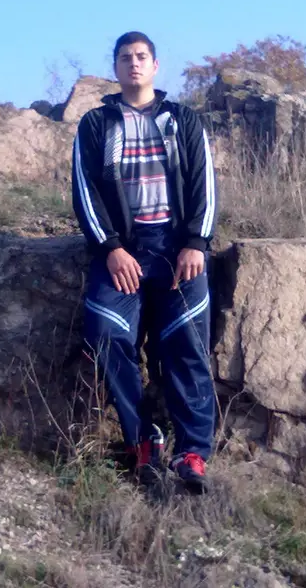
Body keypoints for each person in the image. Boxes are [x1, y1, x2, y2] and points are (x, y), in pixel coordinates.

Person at [72, 31, 217, 493]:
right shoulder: (95, 124)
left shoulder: (183, 120)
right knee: (107, 335)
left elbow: (204, 185)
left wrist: (196, 242)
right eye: (124, 58)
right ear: (115, 68)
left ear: (155, 65)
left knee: (187, 345)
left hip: (177, 252)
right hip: (123, 253)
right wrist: (111, 248)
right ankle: (143, 440)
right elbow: (85, 191)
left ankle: (192, 452)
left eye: (141, 57)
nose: (133, 64)